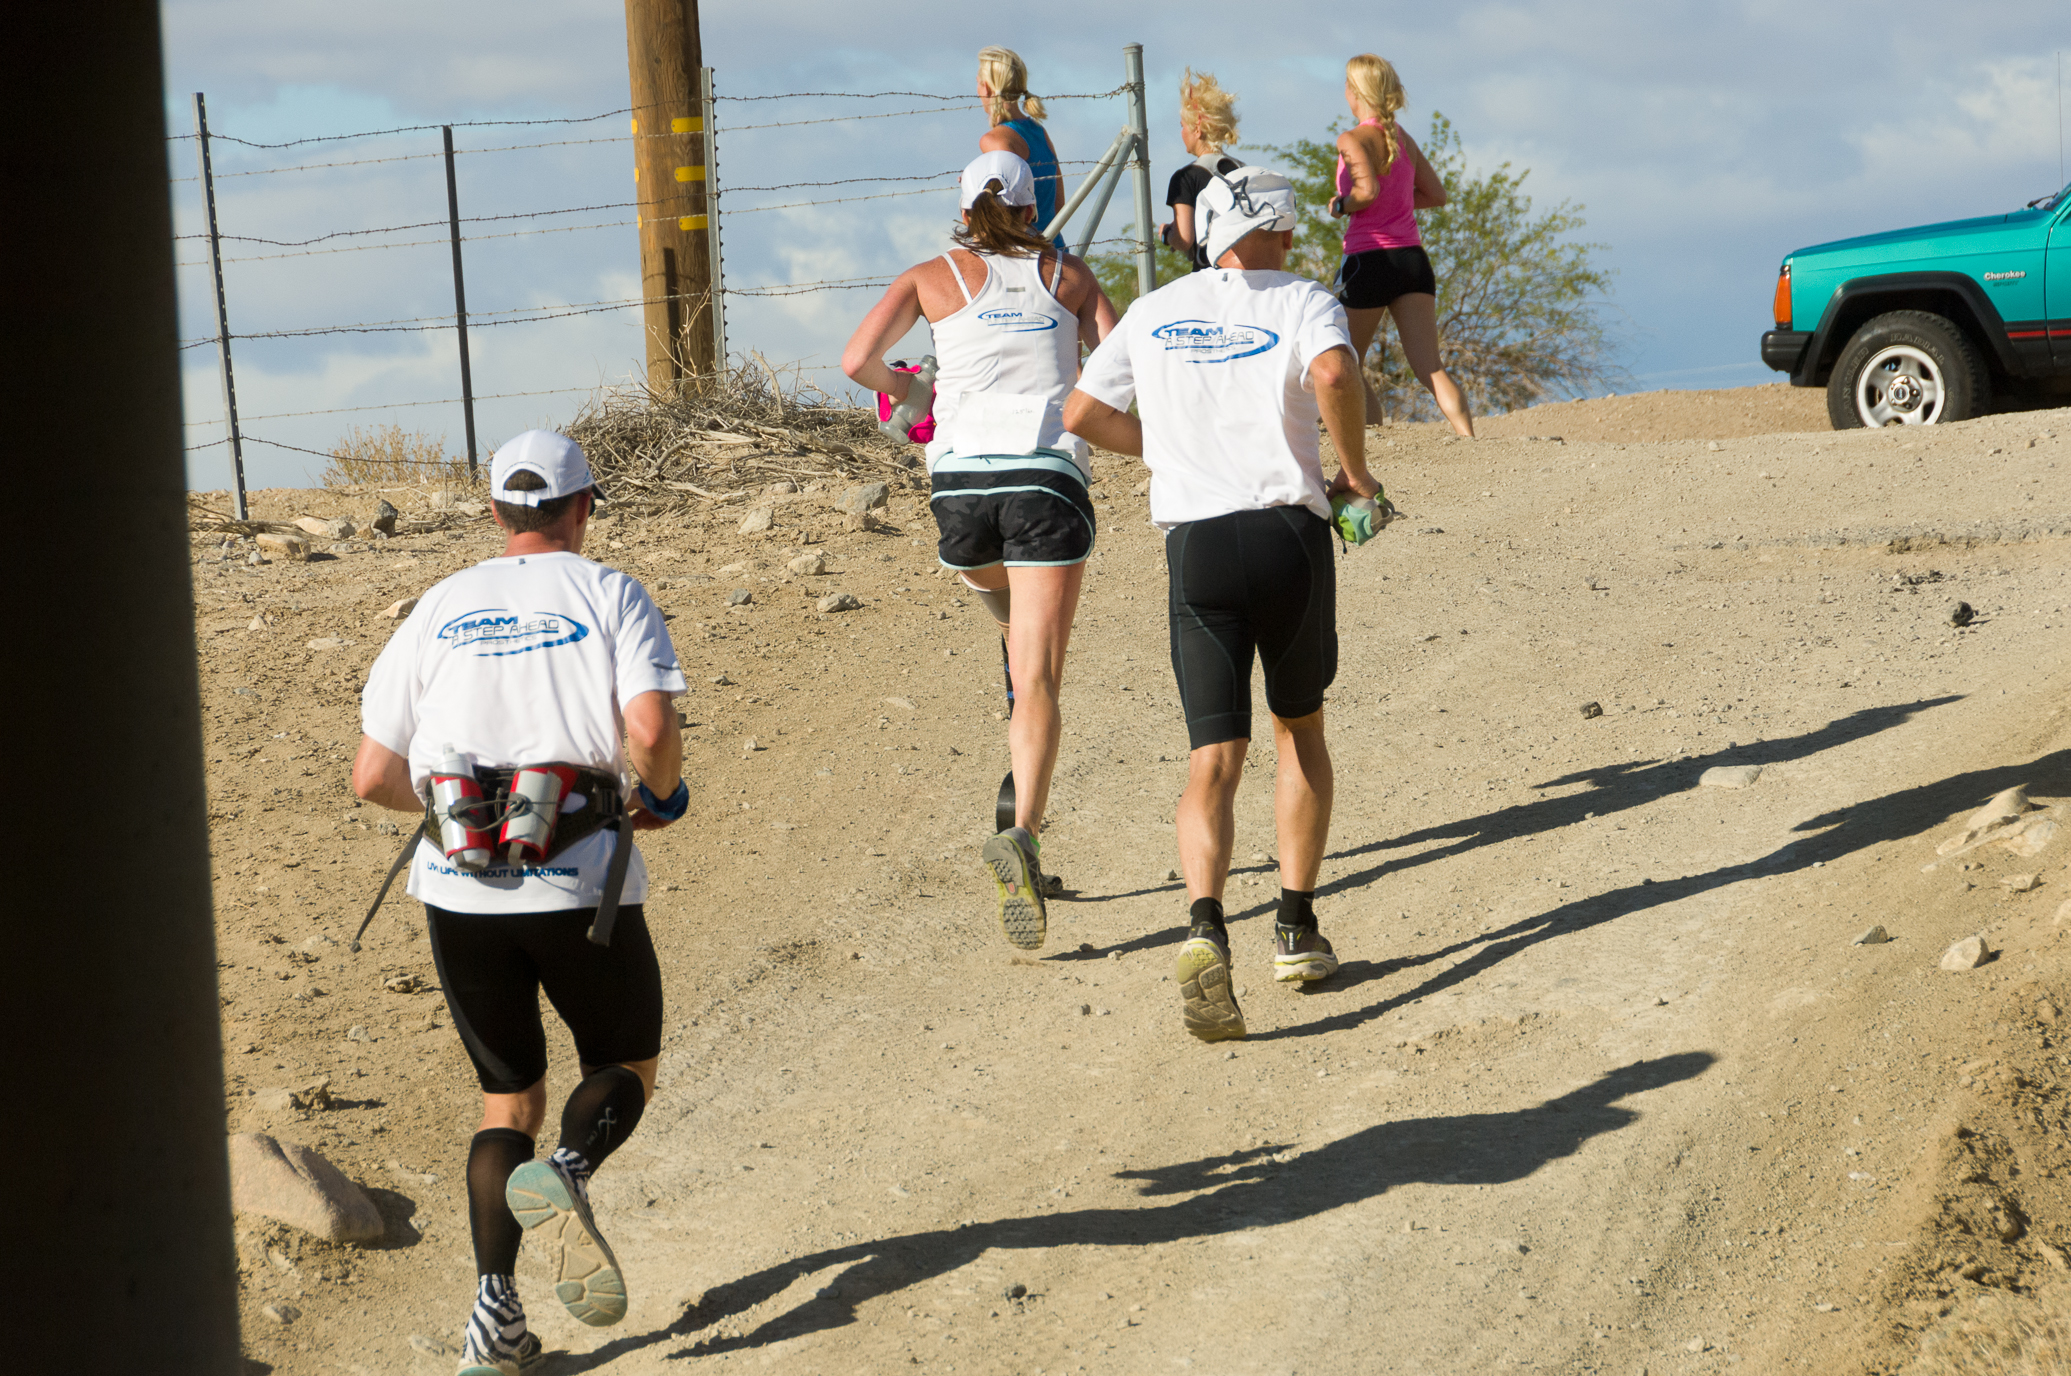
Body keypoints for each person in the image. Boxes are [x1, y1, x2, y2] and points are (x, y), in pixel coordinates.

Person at [350, 430, 688, 1376]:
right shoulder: (609, 590)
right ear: (584, 507)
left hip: (458, 888)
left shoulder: (438, 607)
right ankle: (570, 1175)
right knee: (626, 1064)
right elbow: (651, 726)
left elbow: (372, 774)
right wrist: (659, 794)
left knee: (509, 1101)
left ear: (495, 511)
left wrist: (459, 817)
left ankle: (493, 1323)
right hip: (580, 878)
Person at [1063, 165, 1383, 1043]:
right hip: (1286, 536)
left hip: (1195, 543)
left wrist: (1164, 453)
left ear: (1205, 231)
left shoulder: (1154, 308)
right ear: (1281, 222)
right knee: (1299, 728)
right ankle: (1293, 924)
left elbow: (1083, 410)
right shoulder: (1302, 299)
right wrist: (1352, 476)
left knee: (1211, 756)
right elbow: (1332, 373)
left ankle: (1204, 924)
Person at [841, 150, 1117, 952]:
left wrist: (918, 395)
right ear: (1035, 209)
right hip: (1044, 478)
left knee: (1007, 624)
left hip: (958, 492)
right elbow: (1125, 363)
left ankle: (1014, 762)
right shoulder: (1069, 274)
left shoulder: (930, 276)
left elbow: (857, 362)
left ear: (963, 210)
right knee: (1037, 677)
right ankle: (1022, 833)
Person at [1330, 52, 1474, 436]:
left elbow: (1367, 191)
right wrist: (1398, 204)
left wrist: (1342, 205)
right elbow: (1437, 195)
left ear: (1354, 91)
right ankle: (1470, 440)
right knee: (1431, 366)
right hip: (1412, 261)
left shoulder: (1352, 138)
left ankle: (1370, 438)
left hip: (1368, 261)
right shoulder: (1401, 138)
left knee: (1346, 362)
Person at [977, 46, 1069, 251]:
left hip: (1024, 257)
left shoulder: (994, 141)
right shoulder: (1039, 131)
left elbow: (1002, 214)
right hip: (1056, 248)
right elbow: (1058, 204)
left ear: (986, 88)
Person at [1157, 69, 1242, 272]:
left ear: (1197, 129)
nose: (1181, 133)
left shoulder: (1185, 178)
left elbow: (1185, 239)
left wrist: (1167, 234)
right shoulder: (1242, 170)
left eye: (1182, 126)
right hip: (1244, 272)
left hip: (1209, 274)